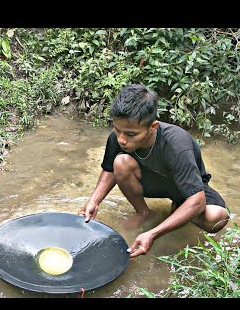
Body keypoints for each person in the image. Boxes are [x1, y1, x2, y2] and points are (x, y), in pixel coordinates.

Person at [78, 84, 230, 258]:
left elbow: (197, 200)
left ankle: (179, 209)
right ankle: (143, 212)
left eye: (131, 134)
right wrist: (94, 202)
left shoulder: (177, 144)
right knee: (120, 162)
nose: (122, 139)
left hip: (185, 188)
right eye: (117, 129)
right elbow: (109, 170)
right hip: (152, 181)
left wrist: (153, 233)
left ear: (153, 127)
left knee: (217, 218)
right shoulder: (118, 137)